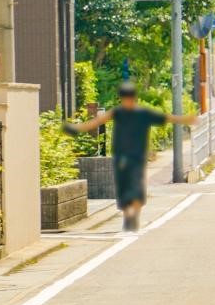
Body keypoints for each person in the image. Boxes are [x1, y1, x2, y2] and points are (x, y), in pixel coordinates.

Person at [66, 81, 198, 231]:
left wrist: (186, 119)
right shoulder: (128, 113)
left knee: (133, 189)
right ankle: (130, 215)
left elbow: (166, 118)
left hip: (134, 158)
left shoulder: (134, 113)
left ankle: (132, 215)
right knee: (126, 189)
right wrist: (76, 128)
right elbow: (97, 122)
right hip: (125, 158)